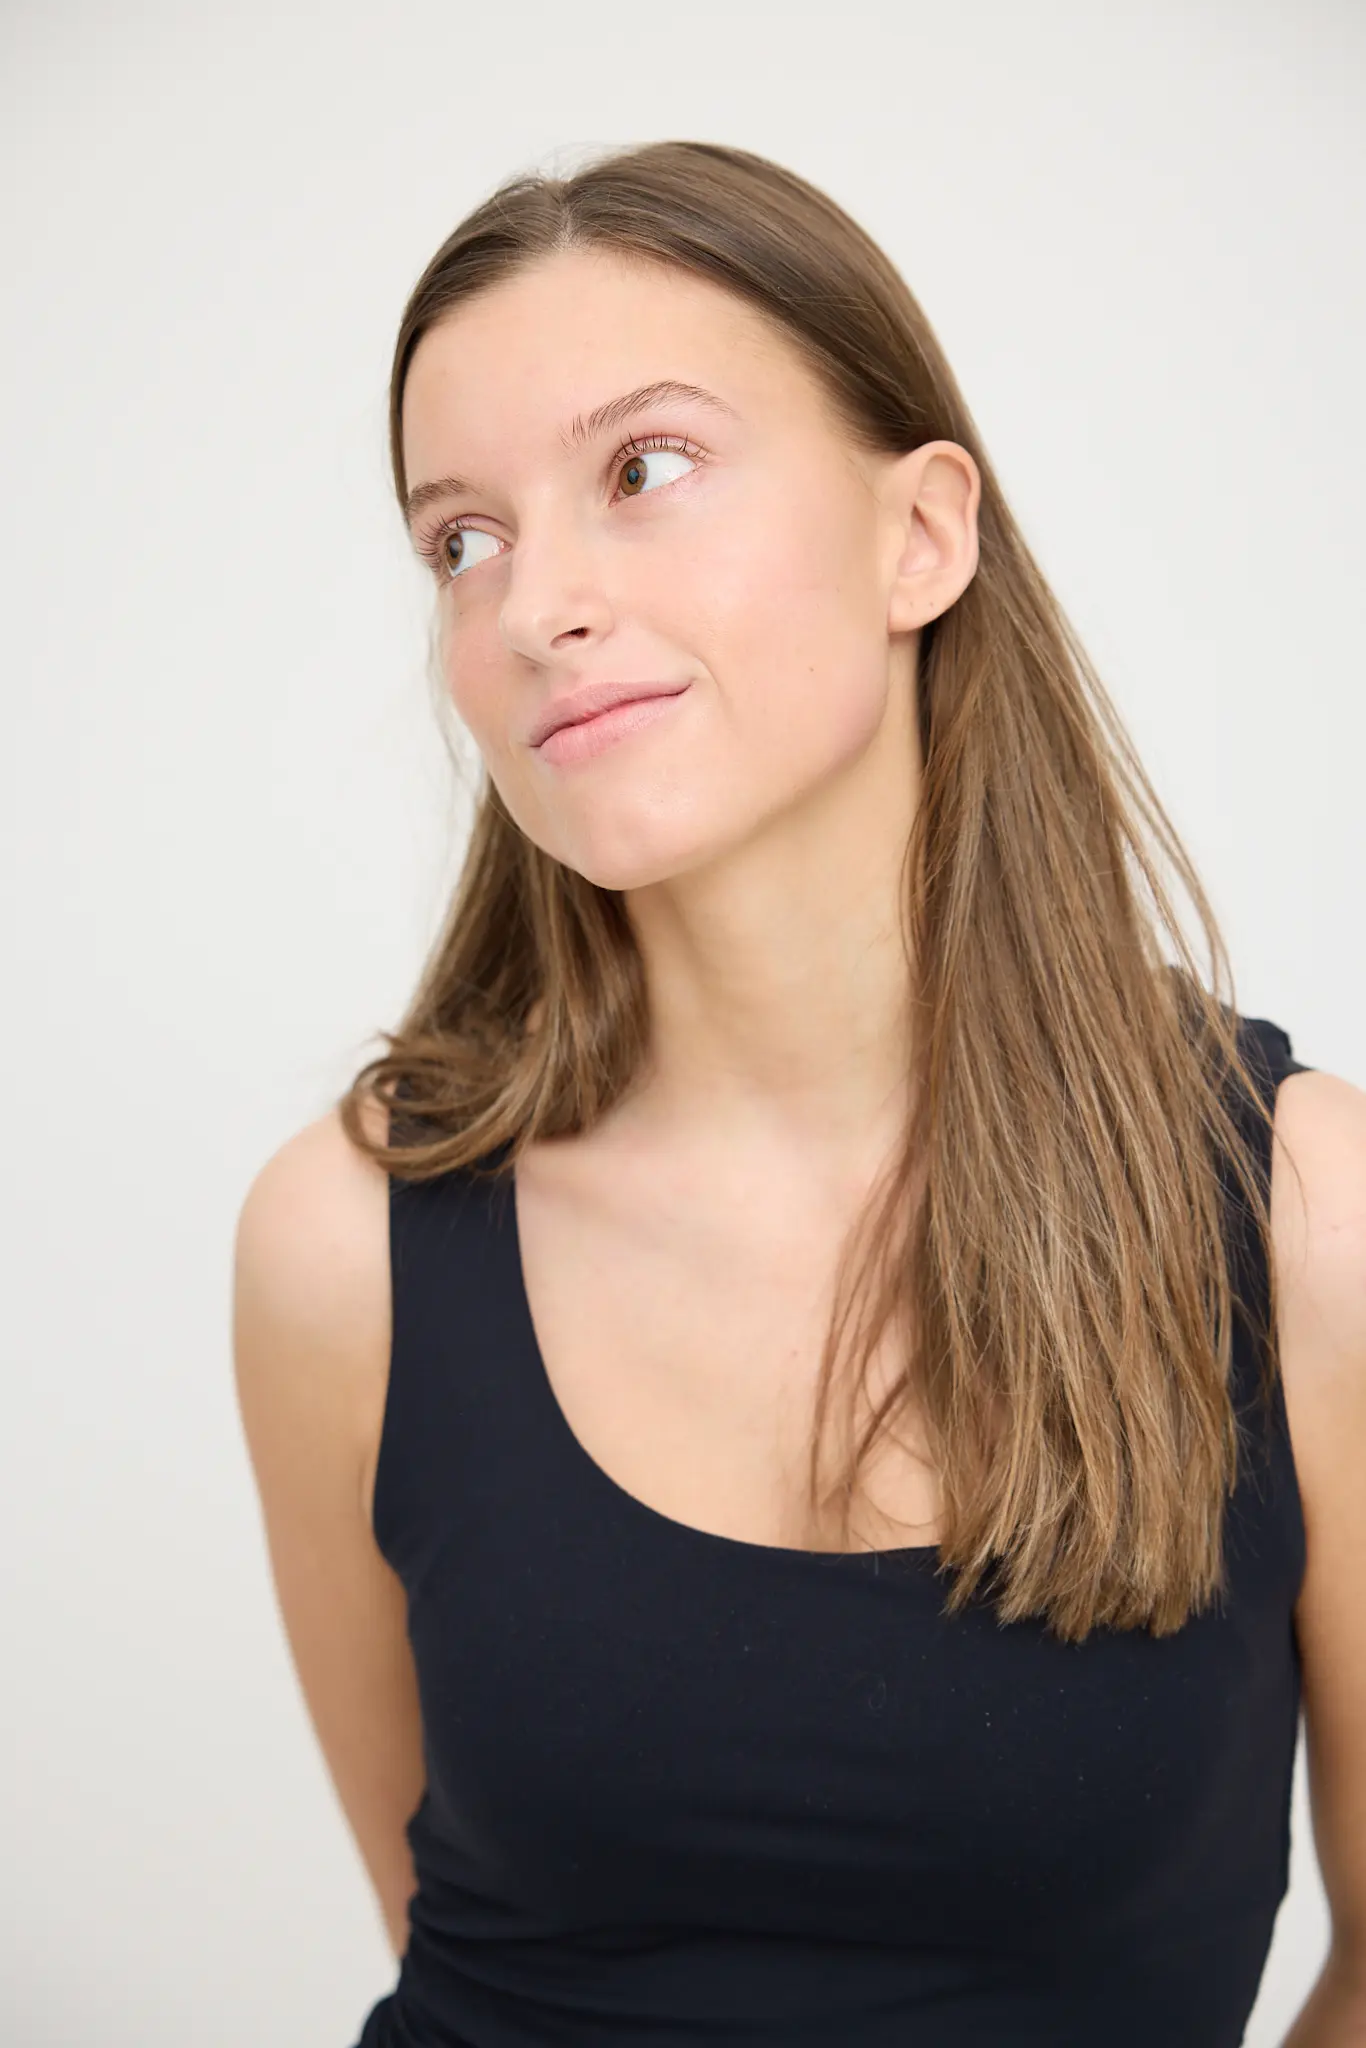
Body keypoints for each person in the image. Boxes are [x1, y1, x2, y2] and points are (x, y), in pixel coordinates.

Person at [231, 141, 1366, 2047]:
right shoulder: (348, 1246)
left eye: (643, 468)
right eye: (461, 541)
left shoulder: (1306, 1218)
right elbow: (457, 1948)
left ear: (920, 534)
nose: (531, 607)